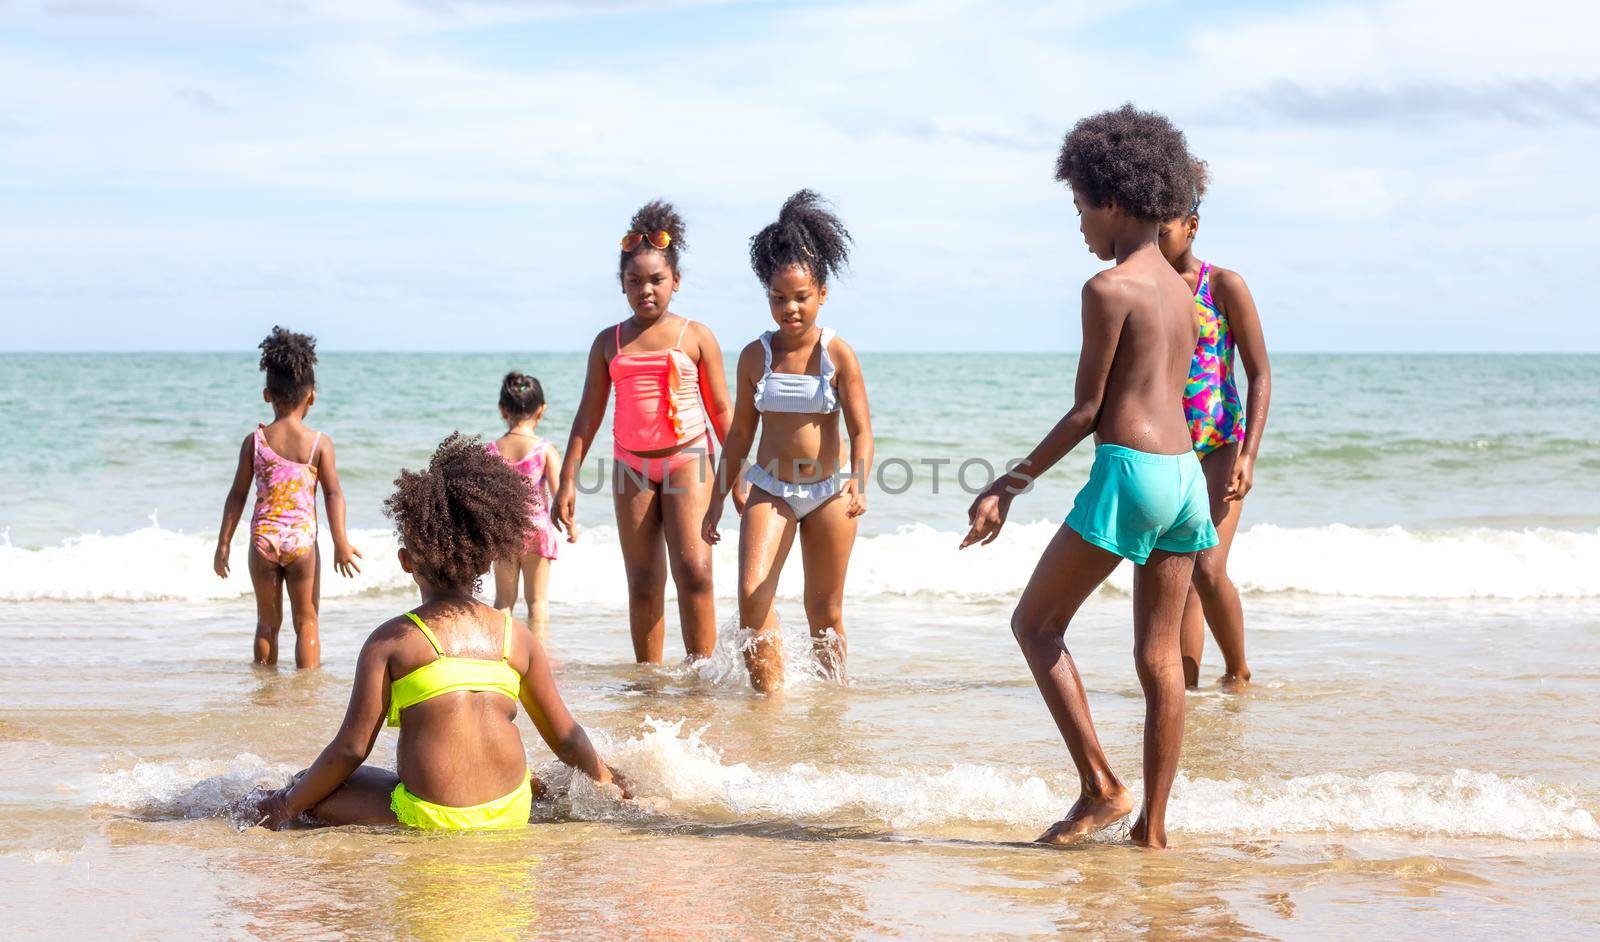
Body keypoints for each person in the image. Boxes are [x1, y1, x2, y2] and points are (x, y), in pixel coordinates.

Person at [961, 105, 1215, 849]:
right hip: (1185, 478)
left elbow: (1086, 412)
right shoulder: (1182, 293)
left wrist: (1006, 485)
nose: (1078, 227)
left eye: (1079, 208)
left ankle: (1100, 786)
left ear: (1113, 199)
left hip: (1130, 471)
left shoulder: (1108, 290)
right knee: (1160, 659)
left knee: (1034, 625)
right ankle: (1154, 832)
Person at [253, 433, 627, 831]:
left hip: (434, 817)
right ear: (487, 562)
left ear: (405, 561)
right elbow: (567, 737)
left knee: (309, 786)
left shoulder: (391, 642)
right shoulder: (516, 637)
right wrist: (606, 781)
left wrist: (287, 804)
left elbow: (350, 749)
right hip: (511, 810)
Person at [702, 191, 873, 692]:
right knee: (753, 598)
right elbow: (739, 435)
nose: (790, 307)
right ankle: (769, 701)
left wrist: (859, 484)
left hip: (829, 493)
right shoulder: (756, 356)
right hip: (770, 488)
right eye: (779, 297)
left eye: (801, 296)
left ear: (822, 293)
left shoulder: (837, 354)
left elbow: (862, 431)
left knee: (825, 610)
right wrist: (715, 500)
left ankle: (830, 706)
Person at [552, 201, 733, 664]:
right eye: (634, 282)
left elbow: (722, 411)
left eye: (656, 280)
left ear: (676, 281)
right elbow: (587, 417)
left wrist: (740, 473)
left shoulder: (696, 335)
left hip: (688, 459)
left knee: (694, 570)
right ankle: (648, 679)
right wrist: (567, 480)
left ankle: (701, 675)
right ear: (622, 285)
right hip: (631, 466)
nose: (645, 290)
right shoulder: (608, 342)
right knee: (643, 581)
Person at [1158, 169, 1272, 691]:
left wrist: (1249, 455)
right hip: (1169, 451)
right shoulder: (1148, 289)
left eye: (1165, 230)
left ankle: (1238, 671)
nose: (1156, 241)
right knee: (1177, 580)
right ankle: (1188, 694)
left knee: (1206, 568)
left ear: (1192, 225)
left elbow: (1260, 372)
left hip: (1222, 445)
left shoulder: (1223, 285)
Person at [214, 326, 361, 669]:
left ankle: (265, 695)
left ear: (267, 395)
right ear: (311, 396)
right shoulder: (318, 443)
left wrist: (223, 544)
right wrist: (341, 542)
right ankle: (305, 696)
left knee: (267, 623)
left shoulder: (256, 441)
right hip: (301, 543)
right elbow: (333, 494)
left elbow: (236, 495)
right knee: (306, 622)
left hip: (263, 541)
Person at [487, 371, 570, 633]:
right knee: (537, 602)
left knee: (503, 602)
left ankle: (501, 655)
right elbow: (560, 495)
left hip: (503, 532)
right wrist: (571, 525)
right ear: (541, 410)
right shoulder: (545, 449)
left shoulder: (490, 450)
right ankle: (539, 653)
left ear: (502, 410)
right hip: (536, 530)